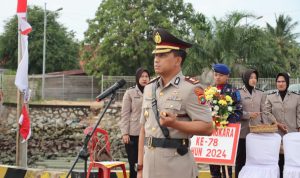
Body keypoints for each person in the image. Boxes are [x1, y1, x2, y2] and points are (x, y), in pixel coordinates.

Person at [137, 28, 213, 178]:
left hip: (176, 167)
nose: (156, 59)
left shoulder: (191, 89)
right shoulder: (149, 88)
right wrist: (140, 167)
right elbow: (143, 130)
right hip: (149, 166)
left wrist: (175, 124)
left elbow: (207, 127)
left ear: (178, 60)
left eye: (163, 55)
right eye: (156, 55)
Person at [263, 72, 300, 178]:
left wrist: (298, 129)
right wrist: (277, 123)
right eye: (278, 81)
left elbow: (299, 114)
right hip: (276, 134)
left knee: (291, 160)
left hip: (292, 133)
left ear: (287, 83)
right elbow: (266, 113)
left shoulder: (296, 97)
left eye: (283, 81)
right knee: (277, 160)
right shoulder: (270, 97)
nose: (281, 84)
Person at [209, 63, 243, 178]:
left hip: (226, 133)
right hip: (212, 133)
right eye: (216, 74)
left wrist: (226, 121)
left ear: (227, 76)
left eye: (221, 75)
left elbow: (239, 111)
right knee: (213, 166)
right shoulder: (209, 91)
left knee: (226, 168)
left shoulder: (233, 91)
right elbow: (203, 108)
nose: (217, 77)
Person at [119, 68, 150, 178]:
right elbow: (125, 114)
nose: (144, 79)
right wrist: (125, 133)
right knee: (134, 165)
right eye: (142, 76)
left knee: (148, 165)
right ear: (137, 78)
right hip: (133, 133)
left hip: (149, 133)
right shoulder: (130, 92)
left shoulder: (153, 91)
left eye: (146, 76)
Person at [235, 69, 266, 177]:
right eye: (251, 77)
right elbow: (235, 111)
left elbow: (263, 111)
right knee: (241, 159)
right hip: (243, 132)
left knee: (255, 159)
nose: (253, 80)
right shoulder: (238, 92)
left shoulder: (261, 93)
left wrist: (265, 125)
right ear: (246, 78)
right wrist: (248, 115)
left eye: (255, 78)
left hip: (257, 131)